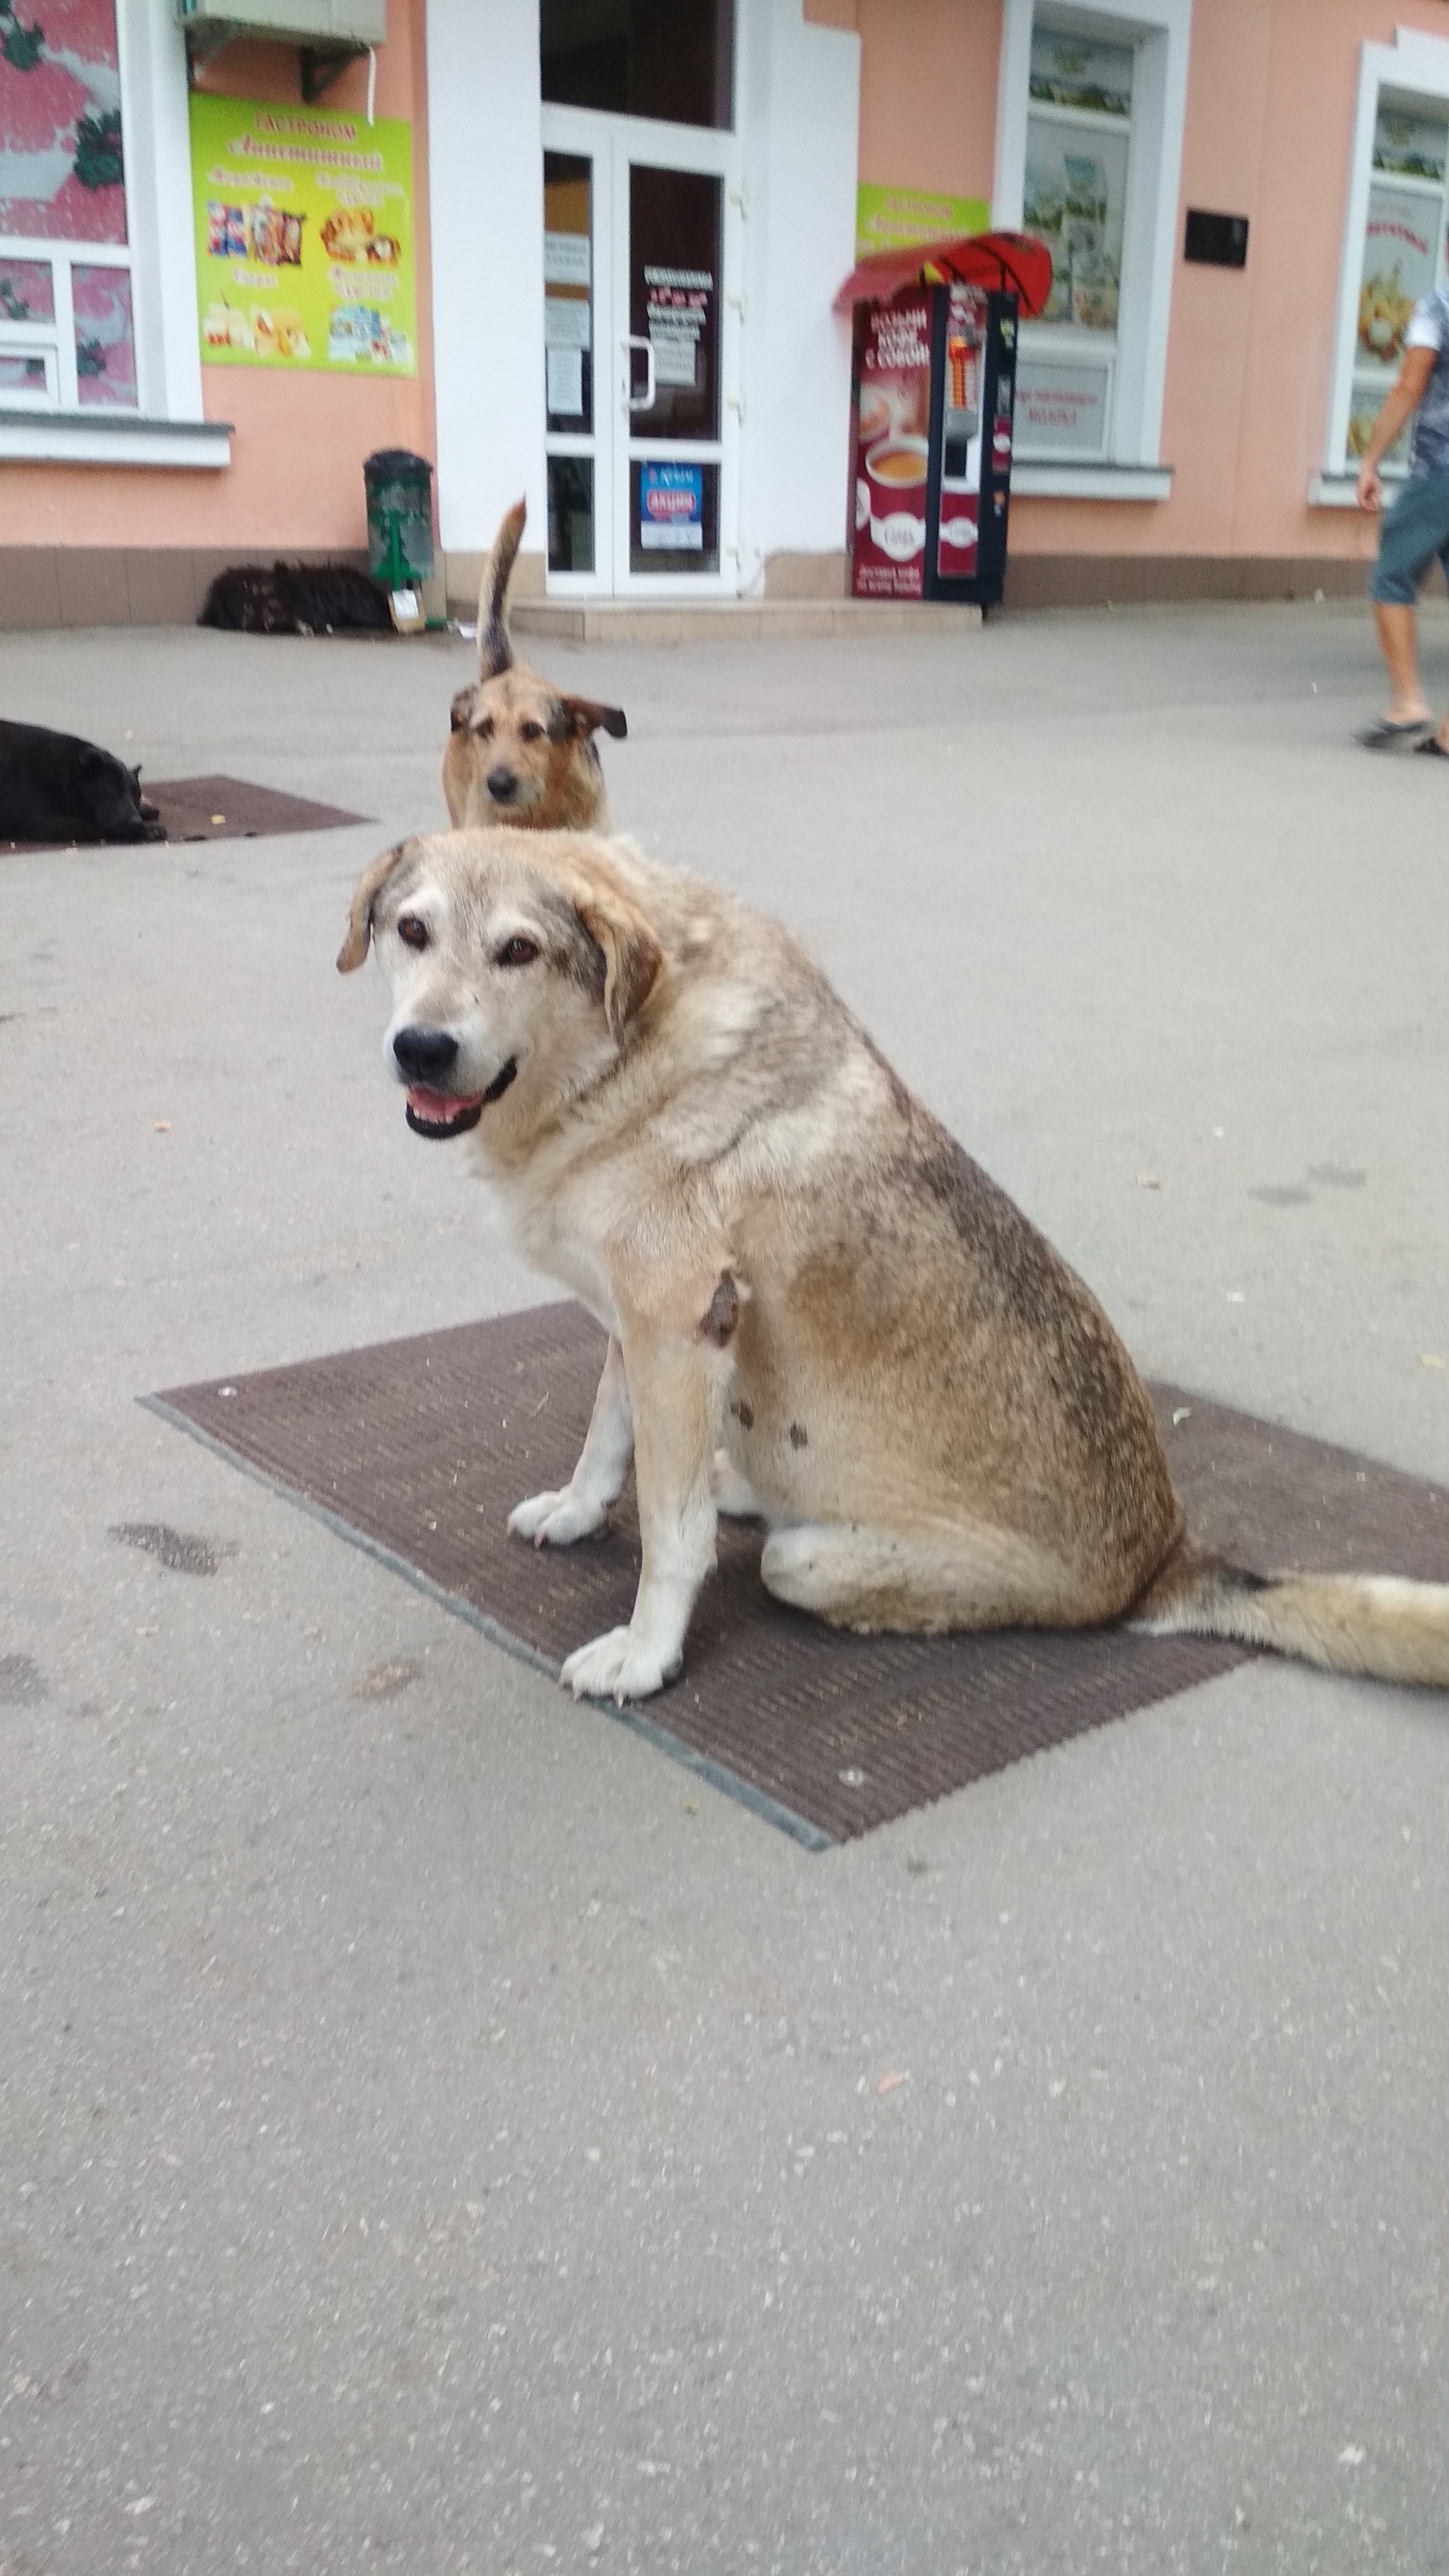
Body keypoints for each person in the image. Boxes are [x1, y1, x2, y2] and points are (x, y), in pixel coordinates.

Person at [1356, 281, 1449, 753]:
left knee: (1392, 578)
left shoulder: (1438, 306)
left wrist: (1370, 460)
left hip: (1440, 472)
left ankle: (1408, 701)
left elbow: (1411, 384)